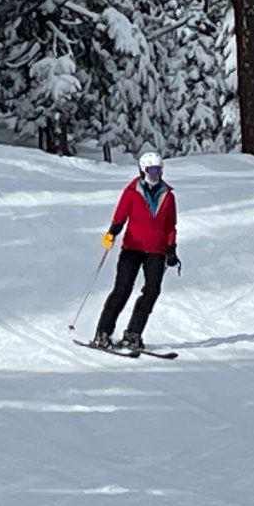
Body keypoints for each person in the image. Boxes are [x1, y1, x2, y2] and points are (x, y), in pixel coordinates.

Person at [90, 149, 179, 354]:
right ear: (142, 170)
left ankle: (133, 334)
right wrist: (112, 233)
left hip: (156, 251)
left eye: (158, 170)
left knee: (152, 291)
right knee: (122, 290)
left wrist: (171, 248)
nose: (154, 174)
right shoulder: (131, 192)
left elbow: (170, 226)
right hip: (132, 248)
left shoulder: (168, 196)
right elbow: (120, 217)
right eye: (151, 170)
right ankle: (103, 333)